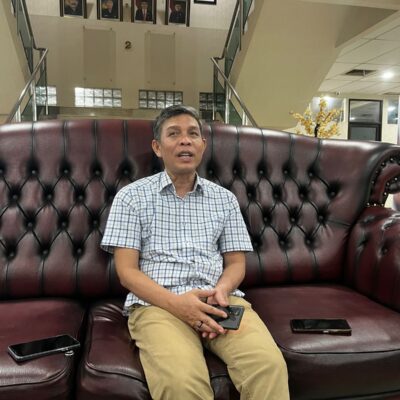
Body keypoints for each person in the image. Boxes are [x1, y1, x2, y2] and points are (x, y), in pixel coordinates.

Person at [101, 105, 290, 400]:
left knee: (268, 366)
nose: (185, 141)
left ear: (203, 144)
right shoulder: (131, 197)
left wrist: (222, 292)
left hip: (219, 301)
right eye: (174, 134)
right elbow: (126, 272)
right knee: (181, 383)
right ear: (157, 147)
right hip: (158, 304)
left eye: (192, 134)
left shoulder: (224, 199)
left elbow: (236, 263)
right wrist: (179, 306)